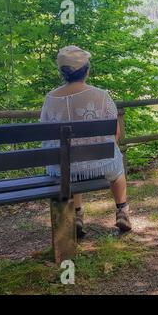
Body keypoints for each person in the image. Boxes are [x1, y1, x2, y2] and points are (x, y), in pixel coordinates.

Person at [40, 46, 132, 236]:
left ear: (62, 73)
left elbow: (45, 133)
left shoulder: (50, 98)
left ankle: (78, 215)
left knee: (71, 163)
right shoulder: (101, 96)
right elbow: (115, 132)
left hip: (62, 167)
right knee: (117, 168)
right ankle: (122, 210)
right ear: (87, 71)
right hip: (101, 163)